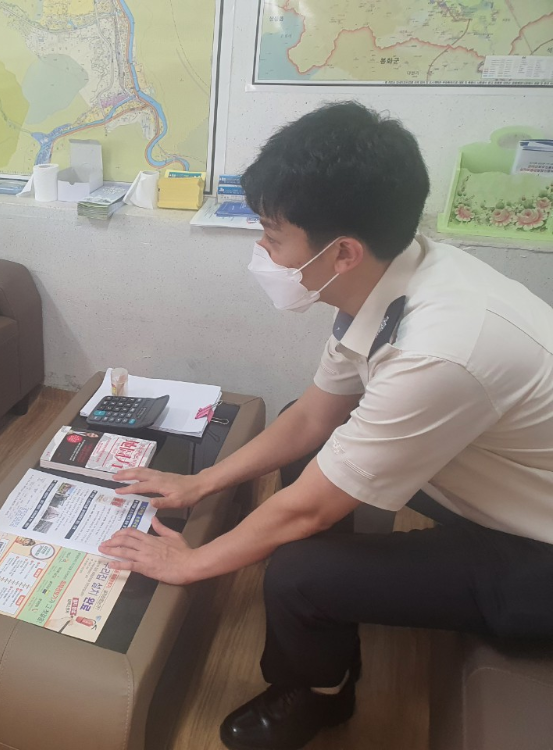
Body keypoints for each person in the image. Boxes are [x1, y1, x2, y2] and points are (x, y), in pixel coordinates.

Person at [99, 102, 553, 750]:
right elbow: (314, 416)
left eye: (272, 234)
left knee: (297, 571)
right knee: (298, 429)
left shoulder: (439, 349)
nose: (261, 251)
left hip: (538, 549)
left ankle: (320, 695)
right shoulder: (396, 275)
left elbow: (308, 508)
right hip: (504, 481)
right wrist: (199, 485)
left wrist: (192, 562)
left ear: (342, 252)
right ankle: (337, 611)